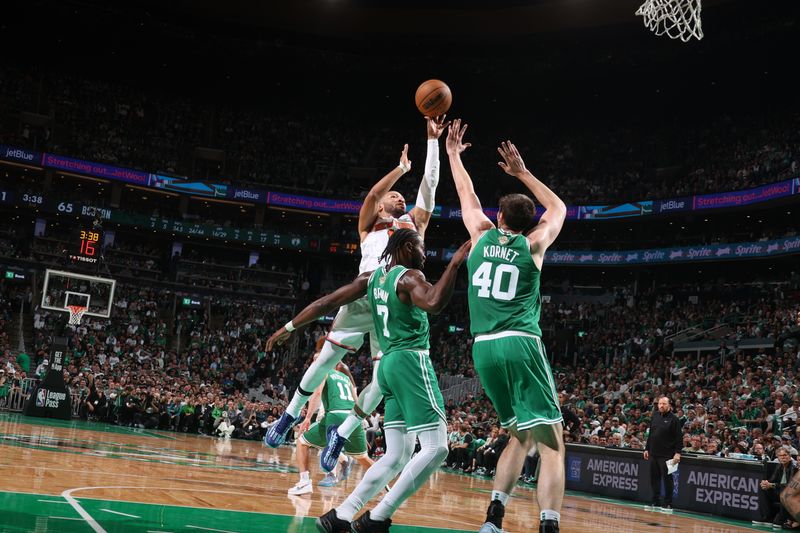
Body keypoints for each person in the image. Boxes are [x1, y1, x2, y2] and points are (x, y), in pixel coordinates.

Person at [265, 117, 449, 467]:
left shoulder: (414, 225)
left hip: (396, 301)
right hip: (364, 293)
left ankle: (344, 431)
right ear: (380, 208)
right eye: (392, 196)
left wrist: (432, 140)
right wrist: (398, 169)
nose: (399, 196)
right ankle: (289, 414)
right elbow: (372, 195)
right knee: (326, 361)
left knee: (384, 378)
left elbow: (431, 182)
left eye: (401, 196)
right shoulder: (368, 226)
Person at [267, 229, 470, 532]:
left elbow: (327, 303)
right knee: (437, 447)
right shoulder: (410, 277)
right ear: (404, 247)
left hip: (386, 366)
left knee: (398, 454)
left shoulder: (372, 278)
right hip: (411, 361)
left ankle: (342, 515)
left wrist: (289, 326)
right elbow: (434, 302)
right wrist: (454, 265)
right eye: (420, 246)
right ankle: (379, 516)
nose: (424, 253)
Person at [446, 120, 567, 533]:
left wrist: (453, 155)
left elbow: (466, 193)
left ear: (497, 216)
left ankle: (494, 517)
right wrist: (522, 173)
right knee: (552, 445)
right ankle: (548, 525)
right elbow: (560, 209)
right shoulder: (533, 245)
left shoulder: (479, 236)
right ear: (530, 221)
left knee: (520, 436)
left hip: (483, 348)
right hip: (520, 342)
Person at [289, 343, 374, 495]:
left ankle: (305, 482)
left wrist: (308, 417)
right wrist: (360, 426)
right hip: (353, 418)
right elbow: (357, 401)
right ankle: (386, 485)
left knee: (302, 441)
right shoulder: (345, 378)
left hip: (335, 414)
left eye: (318, 360)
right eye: (314, 360)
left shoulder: (323, 372)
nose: (315, 363)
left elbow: (316, 394)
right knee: (362, 457)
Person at [643, 397, 682, 512]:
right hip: (654, 454)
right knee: (654, 479)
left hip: (668, 455)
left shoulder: (674, 419)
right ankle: (655, 501)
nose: (661, 406)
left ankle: (668, 504)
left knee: (668, 479)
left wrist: (678, 453)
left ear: (669, 405)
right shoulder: (654, 416)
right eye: (660, 403)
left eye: (664, 404)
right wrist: (647, 449)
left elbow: (679, 438)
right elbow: (651, 435)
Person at [754, 446, 799, 528]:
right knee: (763, 489)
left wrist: (772, 485)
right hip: (779, 490)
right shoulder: (779, 466)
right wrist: (766, 483)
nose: (783, 457)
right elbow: (772, 480)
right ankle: (767, 517)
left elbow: (790, 486)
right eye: (780, 456)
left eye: (785, 455)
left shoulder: (794, 467)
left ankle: (781, 519)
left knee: (784, 491)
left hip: (789, 494)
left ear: (790, 456)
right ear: (777, 458)